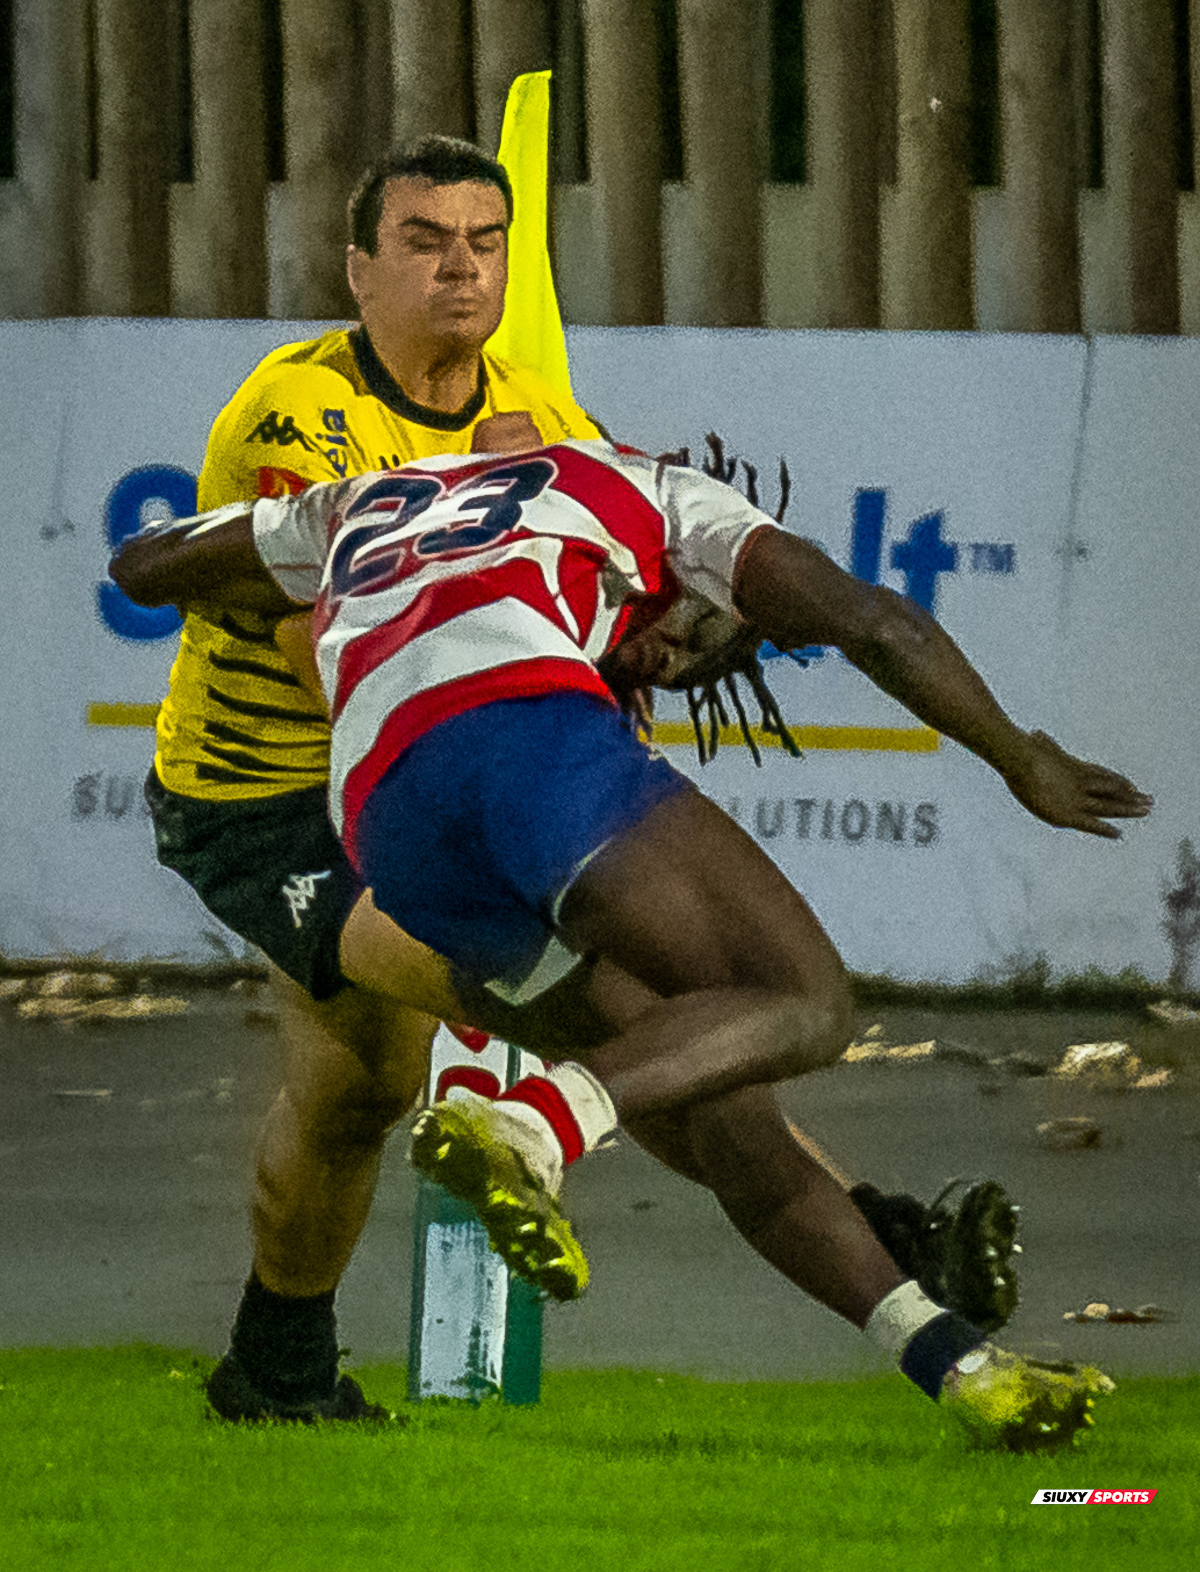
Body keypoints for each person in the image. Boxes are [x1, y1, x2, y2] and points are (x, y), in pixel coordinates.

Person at [112, 429, 1151, 1448]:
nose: (666, 656)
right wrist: (1023, 759)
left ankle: (961, 1368)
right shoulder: (669, 499)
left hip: (385, 815)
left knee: (716, 1098)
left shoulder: (358, 503)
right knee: (810, 1000)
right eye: (705, 640)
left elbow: (148, 565)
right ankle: (533, 1125)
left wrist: (263, 584)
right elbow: (880, 626)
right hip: (518, 733)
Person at [144, 129, 607, 1423]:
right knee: (555, 986)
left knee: (365, 1086)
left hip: (402, 780)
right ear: (357, 269)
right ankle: (873, 1256)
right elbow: (316, 649)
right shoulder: (297, 413)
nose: (460, 268)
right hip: (262, 796)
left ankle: (273, 1374)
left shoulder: (540, 414)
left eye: (485, 241)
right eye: (423, 242)